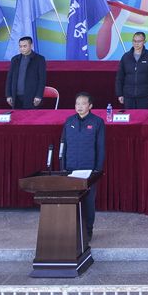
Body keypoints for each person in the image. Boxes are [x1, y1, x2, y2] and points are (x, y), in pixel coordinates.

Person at [60, 94, 105, 244]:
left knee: (88, 202)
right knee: (71, 201)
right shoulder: (69, 121)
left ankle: (88, 230)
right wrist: (63, 168)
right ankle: (72, 230)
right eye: (77, 103)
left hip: (89, 170)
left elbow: (100, 147)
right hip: (71, 168)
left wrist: (97, 169)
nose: (79, 106)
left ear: (90, 106)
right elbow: (63, 145)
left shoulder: (97, 122)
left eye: (83, 103)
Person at [115, 31, 148, 109]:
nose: (136, 43)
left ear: (144, 42)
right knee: (129, 116)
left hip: (144, 96)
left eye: (139, 41)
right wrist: (120, 94)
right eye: (134, 41)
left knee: (143, 116)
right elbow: (119, 77)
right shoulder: (126, 57)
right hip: (128, 96)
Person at [5, 36, 47, 110]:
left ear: (31, 45)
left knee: (31, 116)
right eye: (20, 46)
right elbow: (9, 78)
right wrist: (8, 95)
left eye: (25, 46)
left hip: (32, 97)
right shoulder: (15, 59)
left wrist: (39, 96)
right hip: (16, 97)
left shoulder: (39, 59)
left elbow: (42, 79)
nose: (22, 48)